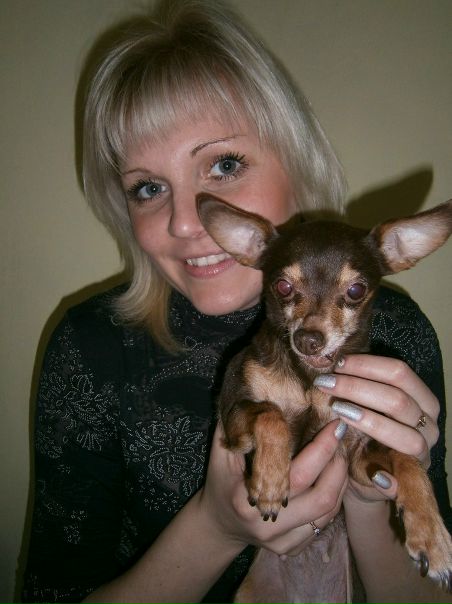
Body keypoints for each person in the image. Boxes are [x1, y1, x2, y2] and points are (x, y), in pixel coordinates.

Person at [22, 0, 452, 602]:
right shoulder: (88, 348)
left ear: (296, 160)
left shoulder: (394, 332)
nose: (185, 222)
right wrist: (214, 528)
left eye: (224, 165)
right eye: (147, 187)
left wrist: (369, 496)